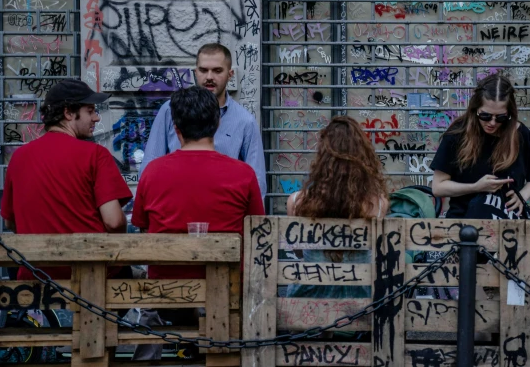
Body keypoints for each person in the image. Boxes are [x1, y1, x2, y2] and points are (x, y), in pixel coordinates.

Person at [131, 86, 265, 361]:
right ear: (217, 123)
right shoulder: (243, 174)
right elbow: (256, 229)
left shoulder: (152, 173)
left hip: (166, 294)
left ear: (176, 127)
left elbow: (143, 227)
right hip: (226, 293)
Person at [0, 79, 132, 280]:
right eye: (90, 110)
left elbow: (10, 222)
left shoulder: (18, 157)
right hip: (90, 275)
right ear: (69, 113)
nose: (96, 118)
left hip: (36, 278)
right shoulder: (95, 154)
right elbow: (113, 221)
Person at [140, 43, 266, 198]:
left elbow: (257, 181)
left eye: (217, 70)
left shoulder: (245, 121)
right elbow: (149, 166)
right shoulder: (171, 110)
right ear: (195, 72)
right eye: (203, 70)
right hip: (175, 207)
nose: (209, 77)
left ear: (230, 74)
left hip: (224, 211)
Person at [286, 116, 389, 300]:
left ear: (322, 159)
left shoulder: (297, 202)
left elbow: (298, 251)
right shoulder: (378, 205)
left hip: (311, 304)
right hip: (360, 300)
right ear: (362, 158)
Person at [430, 73, 530, 221]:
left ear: (510, 114)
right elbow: (438, 187)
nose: (492, 123)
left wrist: (522, 196)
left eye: (500, 117)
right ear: (475, 108)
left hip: (507, 226)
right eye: (485, 116)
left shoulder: (520, 135)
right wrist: (476, 187)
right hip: (463, 224)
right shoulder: (458, 134)